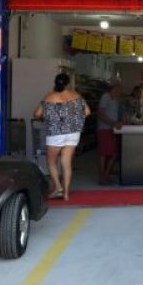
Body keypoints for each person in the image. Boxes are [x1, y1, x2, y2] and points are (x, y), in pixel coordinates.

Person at [33, 73, 90, 201]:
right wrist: (75, 120)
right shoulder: (76, 96)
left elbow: (37, 114)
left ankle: (58, 188)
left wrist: (49, 118)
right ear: (68, 84)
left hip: (55, 133)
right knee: (66, 163)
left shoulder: (49, 96)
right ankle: (66, 194)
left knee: (51, 161)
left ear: (55, 83)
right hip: (73, 132)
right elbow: (87, 111)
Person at [97, 80, 123, 185]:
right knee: (104, 154)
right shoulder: (106, 97)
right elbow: (100, 114)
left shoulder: (115, 99)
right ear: (114, 87)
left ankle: (106, 176)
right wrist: (113, 123)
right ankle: (102, 178)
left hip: (112, 129)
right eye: (119, 88)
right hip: (105, 129)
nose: (120, 90)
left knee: (112, 153)